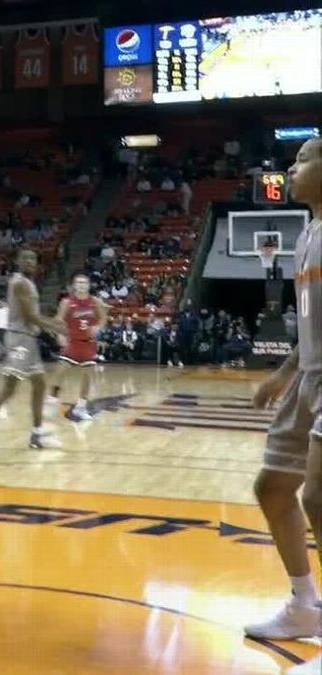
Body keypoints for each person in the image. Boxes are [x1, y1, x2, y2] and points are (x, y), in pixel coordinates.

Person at [245, 138, 322, 673]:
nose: (291, 169)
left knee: (319, 495)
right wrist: (283, 374)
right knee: (273, 487)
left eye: (303, 160)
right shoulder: (305, 236)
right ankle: (305, 605)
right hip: (309, 379)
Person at [0, 249, 66, 450]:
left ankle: (37, 434)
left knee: (39, 385)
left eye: (33, 258)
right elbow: (30, 317)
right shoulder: (20, 283)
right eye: (25, 258)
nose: (29, 261)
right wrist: (56, 326)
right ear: (18, 262)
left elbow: (33, 317)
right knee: (9, 389)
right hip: (20, 339)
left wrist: (51, 326)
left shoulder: (27, 283)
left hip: (28, 339)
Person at [46, 274, 107, 422]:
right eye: (78, 282)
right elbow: (58, 320)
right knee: (60, 372)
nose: (81, 285)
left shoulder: (96, 302)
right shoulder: (67, 302)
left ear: (88, 285)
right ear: (74, 285)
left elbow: (103, 318)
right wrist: (60, 334)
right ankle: (52, 401)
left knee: (87, 376)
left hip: (88, 343)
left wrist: (98, 327)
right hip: (72, 342)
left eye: (84, 282)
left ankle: (81, 407)